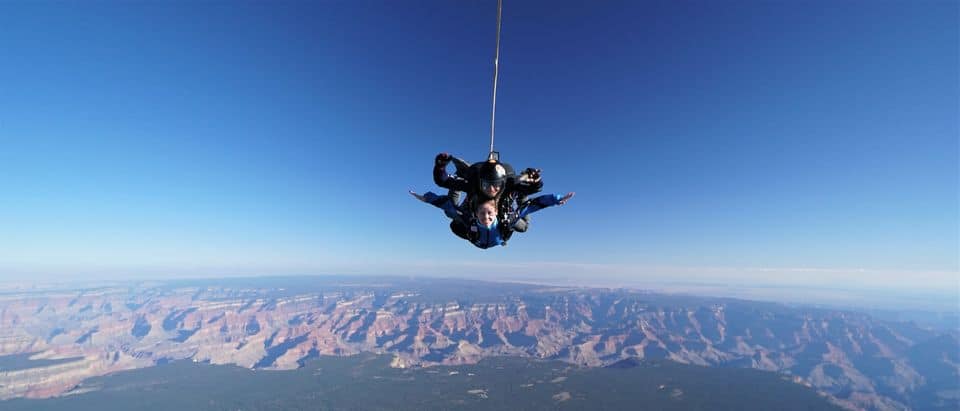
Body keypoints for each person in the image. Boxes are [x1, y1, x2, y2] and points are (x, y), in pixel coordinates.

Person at [410, 190, 575, 249]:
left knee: (524, 226)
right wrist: (426, 198)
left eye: (489, 214)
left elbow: (534, 205)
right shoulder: (471, 219)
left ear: (495, 212)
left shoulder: (506, 220)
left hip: (492, 237)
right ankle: (458, 184)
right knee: (452, 213)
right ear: (477, 213)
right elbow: (444, 204)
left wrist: (556, 199)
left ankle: (521, 194)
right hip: (473, 237)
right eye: (482, 214)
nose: (486, 217)